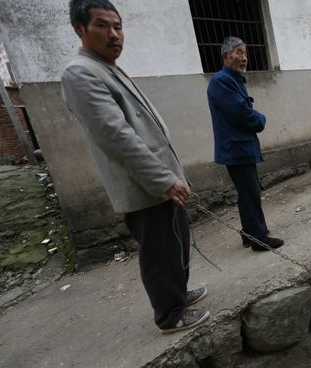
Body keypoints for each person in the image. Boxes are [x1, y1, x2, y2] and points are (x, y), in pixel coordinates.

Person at [61, 0, 209, 334]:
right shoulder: (80, 73)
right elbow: (117, 137)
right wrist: (164, 180)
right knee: (159, 250)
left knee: (176, 241)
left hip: (158, 178)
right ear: (79, 29)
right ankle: (169, 314)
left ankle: (178, 295)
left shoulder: (107, 67)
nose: (114, 35)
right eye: (102, 25)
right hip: (144, 185)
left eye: (118, 26)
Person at [207, 36, 284, 252]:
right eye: (239, 53)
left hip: (239, 146)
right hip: (236, 147)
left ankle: (249, 233)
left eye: (245, 53)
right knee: (250, 192)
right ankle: (259, 239)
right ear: (225, 56)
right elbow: (242, 114)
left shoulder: (233, 79)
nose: (244, 58)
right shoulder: (221, 81)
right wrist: (261, 119)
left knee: (246, 192)